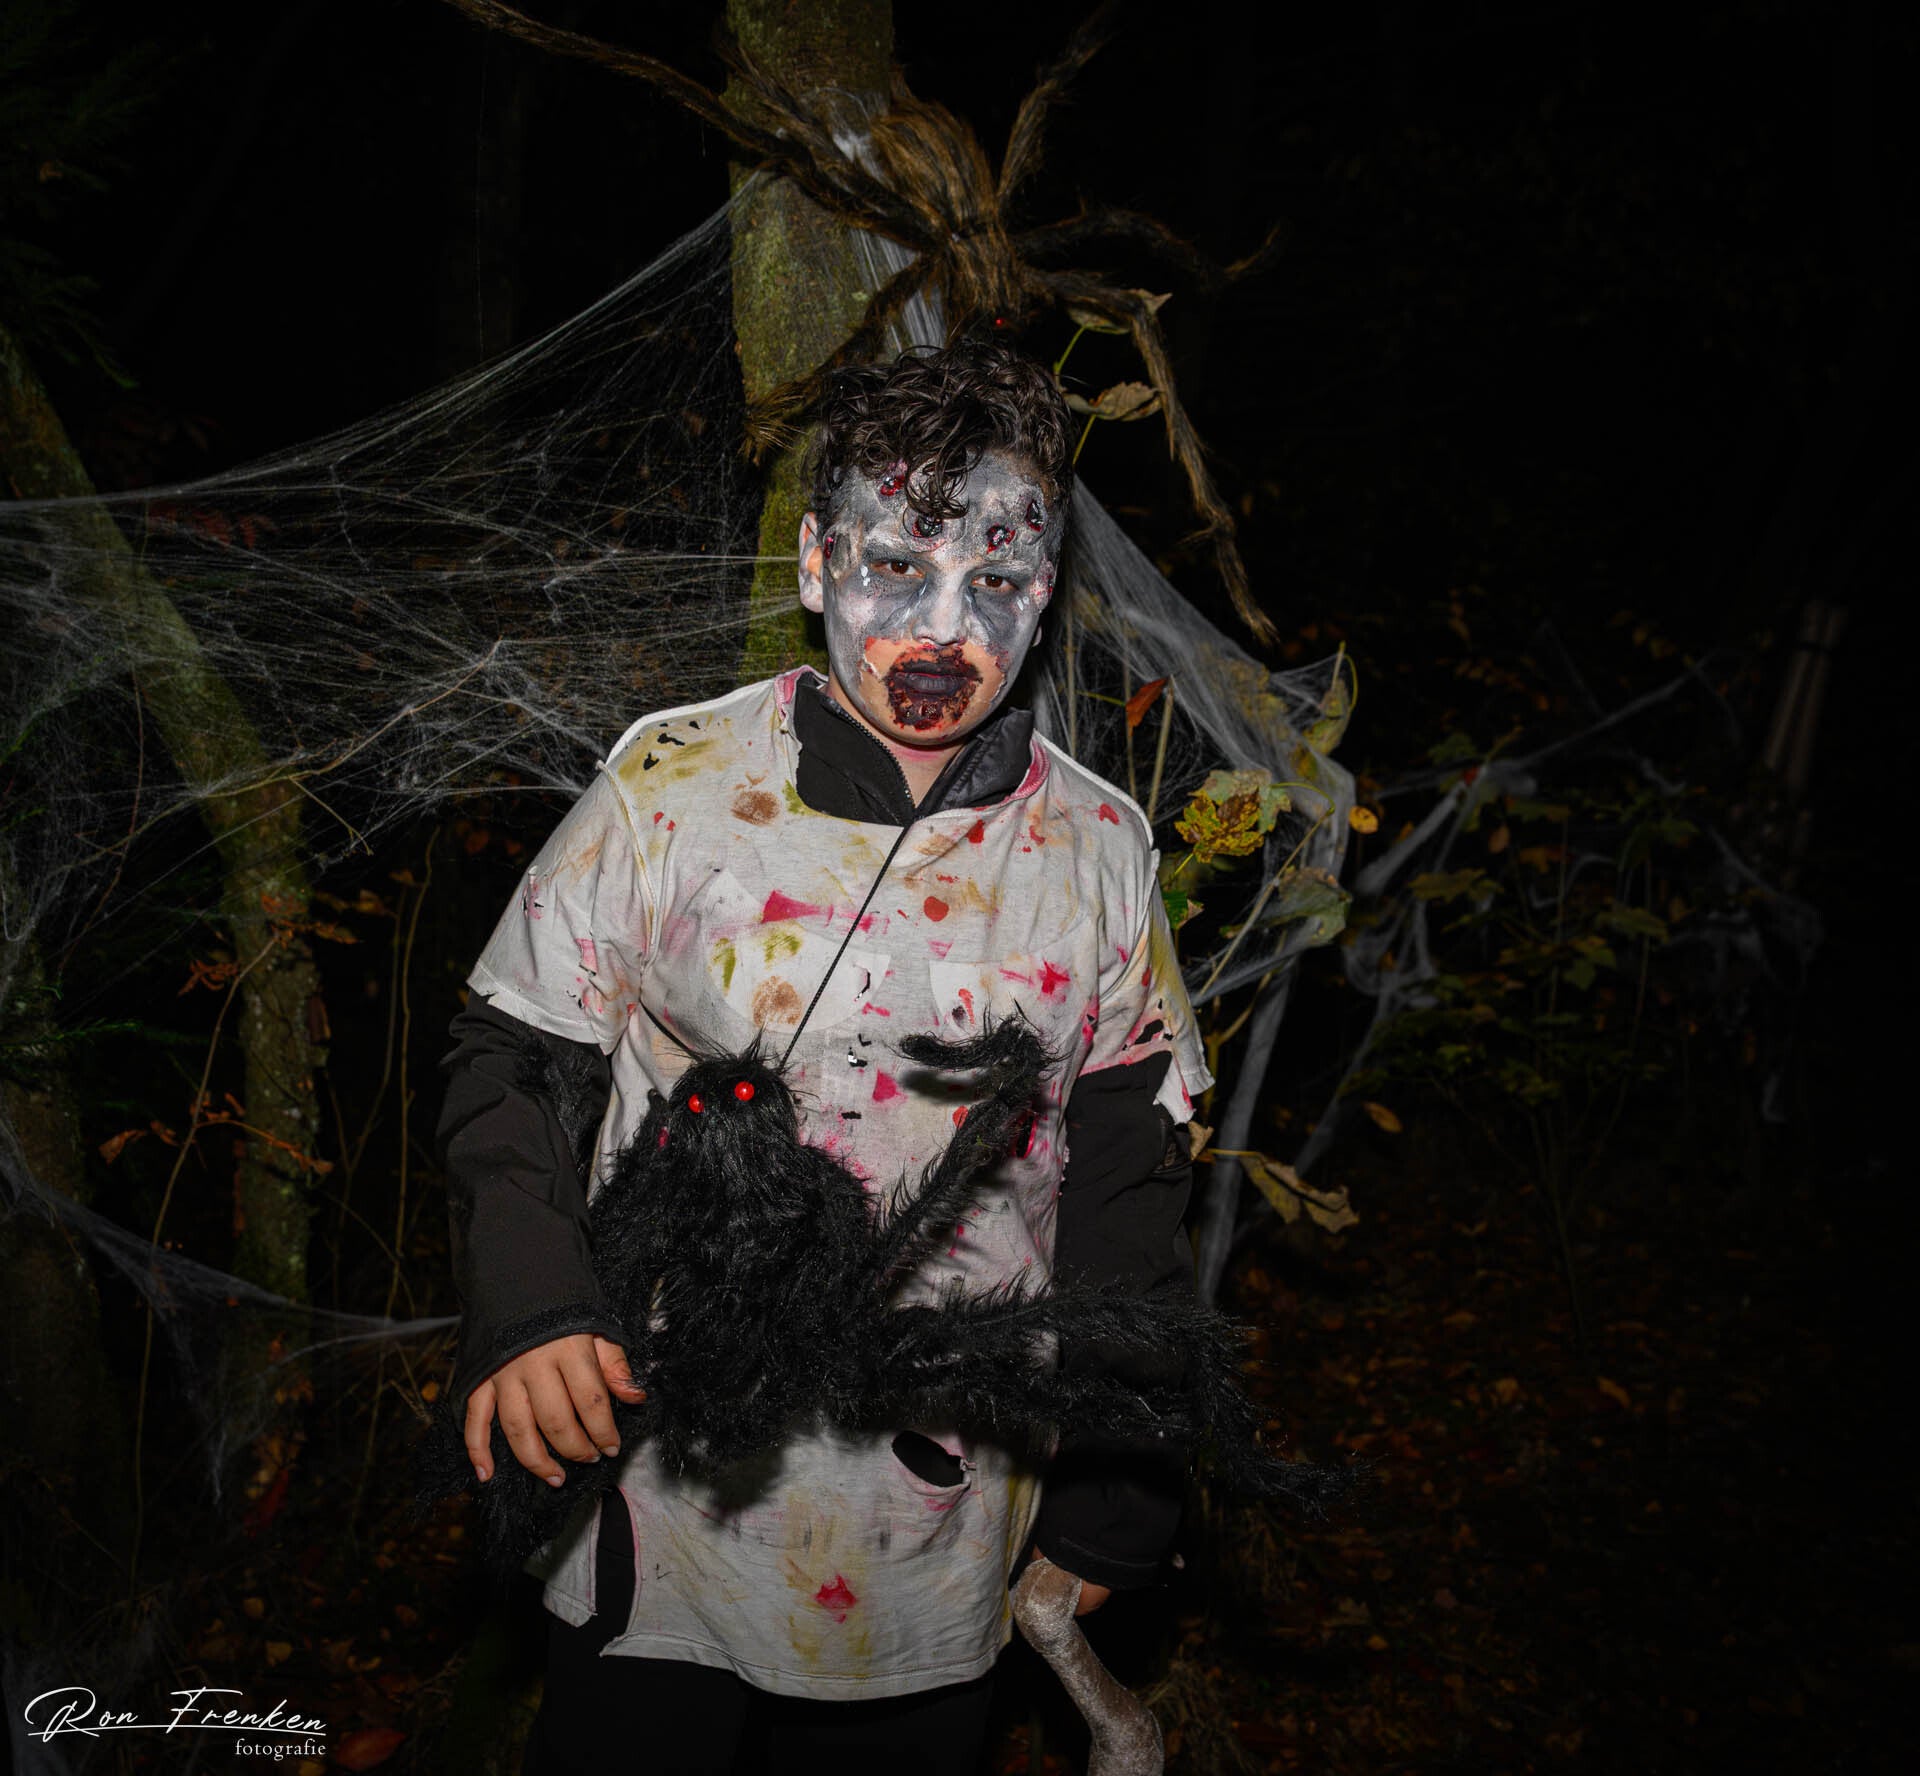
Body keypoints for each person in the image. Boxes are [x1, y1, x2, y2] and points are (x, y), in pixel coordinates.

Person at [437, 337, 1211, 1772]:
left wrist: (1121, 1488)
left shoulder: (1098, 849)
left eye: (997, 579)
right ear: (813, 561)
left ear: (1048, 589)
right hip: (665, 1495)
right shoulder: (672, 784)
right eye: (894, 565)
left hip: (934, 1523)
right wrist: (534, 1305)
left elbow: (1128, 1177)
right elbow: (512, 1060)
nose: (942, 629)